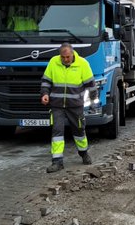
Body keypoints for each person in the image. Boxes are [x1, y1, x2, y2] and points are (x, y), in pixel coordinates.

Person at [40, 43, 97, 173]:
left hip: (75, 105)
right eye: (63, 57)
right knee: (57, 132)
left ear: (72, 54)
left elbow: (91, 84)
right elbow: (46, 81)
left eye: (67, 57)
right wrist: (44, 94)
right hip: (57, 105)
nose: (65, 59)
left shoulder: (82, 64)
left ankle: (84, 153)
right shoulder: (53, 62)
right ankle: (57, 161)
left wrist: (93, 100)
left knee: (79, 131)